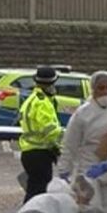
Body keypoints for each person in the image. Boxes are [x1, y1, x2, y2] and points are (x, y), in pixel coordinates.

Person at [57, 70, 107, 213]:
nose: (105, 92)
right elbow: (70, 143)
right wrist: (64, 170)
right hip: (88, 167)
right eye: (101, 88)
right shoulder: (82, 114)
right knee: (91, 211)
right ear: (93, 89)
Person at [17, 66, 63, 204]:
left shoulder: (32, 99)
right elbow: (50, 131)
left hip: (30, 152)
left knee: (34, 189)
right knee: (38, 192)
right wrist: (65, 141)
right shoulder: (43, 103)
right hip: (40, 153)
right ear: (52, 83)